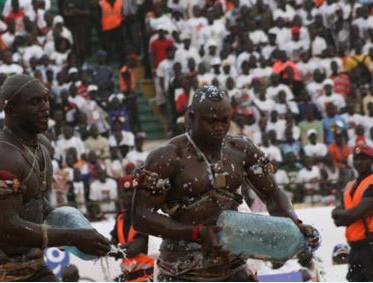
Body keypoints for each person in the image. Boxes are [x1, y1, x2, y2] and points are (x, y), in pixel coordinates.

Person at [131, 85, 320, 281]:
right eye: (211, 121)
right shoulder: (167, 157)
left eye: (224, 120)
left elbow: (272, 195)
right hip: (181, 269)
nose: (219, 127)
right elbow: (141, 216)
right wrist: (196, 232)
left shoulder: (241, 150)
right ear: (191, 117)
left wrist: (295, 223)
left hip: (233, 263)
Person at [0, 75, 110, 282]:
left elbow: (33, 205)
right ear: (11, 110)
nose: (45, 107)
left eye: (45, 99)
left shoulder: (41, 147)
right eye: (35, 102)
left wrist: (73, 227)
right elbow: (6, 230)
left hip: (28, 265)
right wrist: (74, 237)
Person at [331, 143, 373, 281]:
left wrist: (347, 214)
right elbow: (338, 220)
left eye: (364, 158)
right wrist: (358, 213)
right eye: (357, 158)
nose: (360, 162)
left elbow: (350, 214)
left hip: (372, 245)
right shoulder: (349, 186)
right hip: (355, 247)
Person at [110, 176, 154, 282]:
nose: (129, 195)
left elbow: (134, 250)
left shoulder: (143, 217)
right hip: (129, 278)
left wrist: (113, 250)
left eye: (131, 191)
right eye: (125, 191)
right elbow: (112, 243)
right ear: (121, 195)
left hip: (146, 278)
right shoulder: (120, 218)